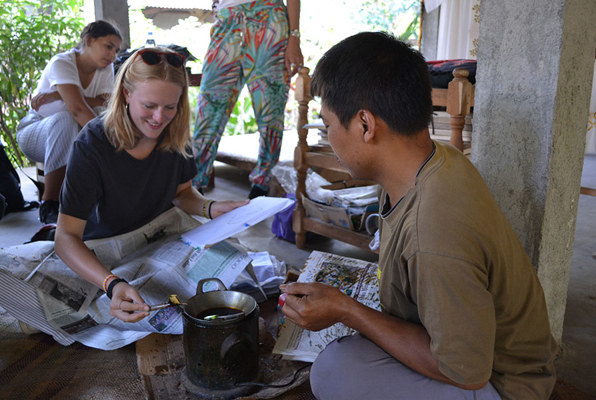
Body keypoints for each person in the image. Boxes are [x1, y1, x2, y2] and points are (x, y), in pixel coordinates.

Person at [280, 32, 558, 400]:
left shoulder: (435, 228)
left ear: (365, 124)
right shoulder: (435, 159)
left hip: (504, 384)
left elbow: (466, 370)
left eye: (328, 124)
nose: (329, 137)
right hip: (479, 354)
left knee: (335, 370)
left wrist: (347, 310)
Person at [54, 46, 248, 323]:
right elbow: (65, 238)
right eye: (149, 106)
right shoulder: (93, 144)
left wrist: (211, 207)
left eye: (170, 107)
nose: (159, 118)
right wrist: (112, 283)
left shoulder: (176, 137)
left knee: (226, 285)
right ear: (126, 94)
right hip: (106, 251)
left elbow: (182, 194)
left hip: (161, 241)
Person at [192, 0, 303, 199]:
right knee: (209, 105)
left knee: (270, 108)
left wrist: (294, 37)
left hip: (268, 17)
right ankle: (194, 182)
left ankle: (261, 183)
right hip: (227, 20)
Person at [16, 20, 123, 225]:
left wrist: (60, 95)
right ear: (89, 40)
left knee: (97, 122)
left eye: (116, 50)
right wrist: (112, 144)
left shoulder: (105, 69)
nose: (113, 55)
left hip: (74, 133)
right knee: (69, 120)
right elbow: (77, 109)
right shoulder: (62, 62)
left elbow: (107, 105)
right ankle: (50, 204)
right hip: (34, 132)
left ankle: (87, 202)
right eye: (108, 46)